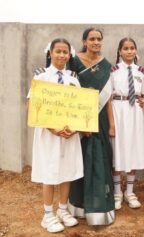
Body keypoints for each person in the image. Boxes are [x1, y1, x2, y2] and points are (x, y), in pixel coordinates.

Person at [28, 38, 83, 233]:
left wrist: (74, 129)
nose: (61, 55)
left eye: (65, 52)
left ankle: (62, 210)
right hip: (49, 134)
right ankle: (47, 215)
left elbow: (79, 108)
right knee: (50, 173)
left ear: (70, 55)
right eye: (57, 51)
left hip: (69, 135)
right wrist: (52, 128)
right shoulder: (41, 76)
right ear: (50, 53)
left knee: (66, 172)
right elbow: (33, 106)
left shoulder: (73, 79)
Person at [68, 28, 115, 225]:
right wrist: (78, 123)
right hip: (81, 121)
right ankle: (78, 206)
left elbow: (109, 98)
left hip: (101, 119)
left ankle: (100, 209)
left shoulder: (106, 65)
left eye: (99, 39)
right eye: (92, 39)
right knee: (82, 160)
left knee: (101, 159)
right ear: (84, 41)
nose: (96, 42)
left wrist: (112, 124)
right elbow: (70, 92)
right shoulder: (74, 62)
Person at [108, 37, 144, 210]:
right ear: (120, 51)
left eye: (132, 48)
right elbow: (108, 98)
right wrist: (111, 123)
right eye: (126, 48)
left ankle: (130, 192)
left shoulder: (141, 71)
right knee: (118, 149)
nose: (129, 51)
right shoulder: (113, 71)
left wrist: (141, 100)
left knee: (134, 148)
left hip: (135, 114)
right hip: (118, 109)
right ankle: (117, 192)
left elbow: (142, 94)